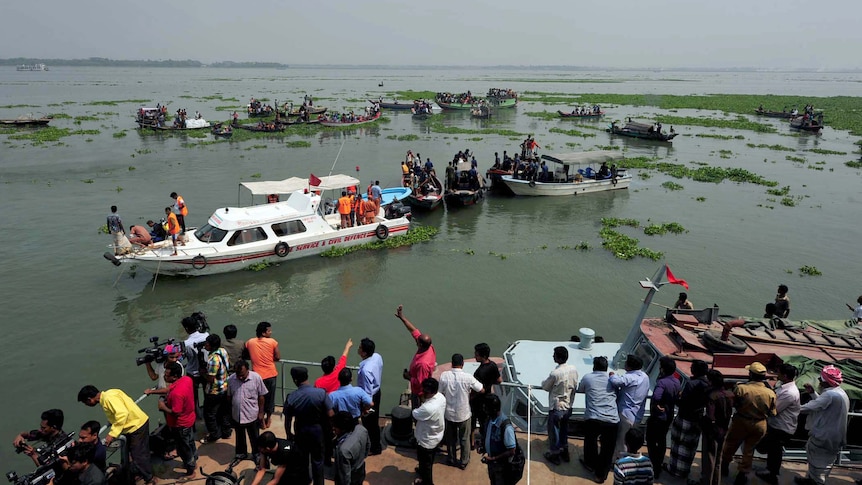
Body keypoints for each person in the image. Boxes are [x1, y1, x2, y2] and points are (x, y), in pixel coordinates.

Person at [77, 385, 155, 485]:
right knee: (135, 452)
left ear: (89, 399)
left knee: (138, 455)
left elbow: (122, 414)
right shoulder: (111, 392)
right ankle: (140, 473)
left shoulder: (109, 399)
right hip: (135, 423)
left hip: (136, 426)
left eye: (85, 402)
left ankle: (150, 479)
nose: (86, 405)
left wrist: (112, 434)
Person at [719, 362, 776, 485]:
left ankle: (724, 466)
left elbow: (734, 403)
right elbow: (773, 412)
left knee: (730, 444)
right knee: (749, 450)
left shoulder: (741, 388)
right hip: (760, 424)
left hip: (741, 421)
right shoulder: (770, 393)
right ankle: (742, 474)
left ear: (751, 374)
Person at [795, 365, 850, 485]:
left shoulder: (830, 395)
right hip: (834, 435)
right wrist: (813, 393)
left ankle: (816, 482)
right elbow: (823, 403)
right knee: (822, 461)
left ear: (826, 382)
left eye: (820, 380)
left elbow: (812, 406)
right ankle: (812, 479)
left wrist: (792, 409)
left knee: (818, 462)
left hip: (824, 435)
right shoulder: (838, 392)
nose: (819, 382)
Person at [755, 363, 801, 485]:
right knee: (773, 449)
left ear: (785, 376)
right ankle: (770, 471)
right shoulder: (784, 386)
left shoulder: (790, 393)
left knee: (774, 450)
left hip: (782, 427)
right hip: (778, 425)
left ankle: (772, 475)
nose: (777, 375)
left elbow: (774, 409)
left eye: (779, 373)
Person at [578, 356, 620, 483]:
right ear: (606, 367)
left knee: (590, 442)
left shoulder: (587, 377)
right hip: (612, 419)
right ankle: (601, 475)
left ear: (594, 366)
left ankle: (590, 464)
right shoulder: (613, 379)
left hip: (593, 417)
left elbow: (581, 389)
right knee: (607, 449)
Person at [665, 359, 710, 478]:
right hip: (698, 418)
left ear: (695, 370)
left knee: (678, 444)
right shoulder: (708, 384)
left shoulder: (691, 384)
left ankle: (675, 470)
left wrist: (675, 398)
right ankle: (685, 470)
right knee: (690, 446)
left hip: (685, 417)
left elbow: (684, 402)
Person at [439, 353, 483, 469]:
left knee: (451, 439)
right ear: (462, 364)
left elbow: (439, 392)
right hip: (464, 413)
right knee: (464, 438)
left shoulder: (444, 376)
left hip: (448, 413)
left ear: (452, 363)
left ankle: (451, 458)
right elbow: (481, 389)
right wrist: (470, 395)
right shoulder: (468, 377)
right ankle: (464, 461)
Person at [284, 366, 327, 485]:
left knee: (302, 460)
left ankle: (305, 481)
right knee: (318, 461)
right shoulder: (321, 393)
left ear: (295, 380)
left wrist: (288, 434)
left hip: (301, 431)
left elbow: (287, 419)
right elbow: (330, 413)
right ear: (307, 377)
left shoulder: (291, 397)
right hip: (317, 431)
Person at [693, 369, 734, 485]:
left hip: (712, 430)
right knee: (718, 460)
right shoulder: (730, 394)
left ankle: (706, 482)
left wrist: (703, 422)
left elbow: (711, 416)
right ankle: (716, 481)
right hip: (724, 428)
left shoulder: (712, 396)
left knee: (709, 459)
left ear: (710, 381)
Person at [157, 361, 197, 481]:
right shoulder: (186, 380)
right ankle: (194, 462)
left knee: (184, 448)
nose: (164, 376)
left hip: (180, 425)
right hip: (190, 419)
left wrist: (163, 407)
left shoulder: (176, 394)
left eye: (167, 375)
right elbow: (169, 389)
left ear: (174, 377)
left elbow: (176, 412)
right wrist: (153, 391)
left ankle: (190, 471)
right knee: (190, 442)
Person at [541, 345, 579, 465]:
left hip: (557, 406)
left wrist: (543, 383)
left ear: (558, 357)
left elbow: (546, 387)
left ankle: (555, 454)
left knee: (554, 431)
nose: (553, 356)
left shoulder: (555, 373)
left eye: (554, 355)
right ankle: (565, 451)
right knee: (564, 429)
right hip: (568, 405)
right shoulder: (573, 369)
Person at [395, 305, 437, 409]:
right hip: (421, 375)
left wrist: (407, 376)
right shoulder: (429, 347)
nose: (416, 339)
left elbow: (420, 383)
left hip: (420, 392)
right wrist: (402, 317)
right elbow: (414, 331)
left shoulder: (423, 364)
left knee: (417, 411)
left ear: (420, 345)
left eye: (417, 341)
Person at [609, 354, 650, 459]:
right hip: (637, 415)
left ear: (629, 366)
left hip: (626, 415)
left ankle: (619, 462)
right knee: (631, 442)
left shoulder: (630, 377)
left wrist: (612, 375)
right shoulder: (645, 377)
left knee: (622, 441)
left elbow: (615, 381)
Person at [645, 356, 680, 476]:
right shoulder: (677, 381)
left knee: (651, 440)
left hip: (658, 417)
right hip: (668, 416)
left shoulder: (662, 382)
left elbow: (656, 396)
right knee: (661, 441)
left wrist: (658, 405)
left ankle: (653, 465)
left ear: (663, 369)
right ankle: (658, 464)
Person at [227, 360, 267, 464]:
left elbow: (261, 396)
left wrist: (261, 412)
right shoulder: (231, 379)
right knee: (239, 436)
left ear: (248, 370)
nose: (240, 377)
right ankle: (240, 454)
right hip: (237, 414)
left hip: (252, 414)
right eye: (238, 374)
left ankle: (257, 454)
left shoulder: (256, 378)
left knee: (255, 437)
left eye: (242, 375)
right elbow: (229, 396)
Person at [246, 321, 280, 429]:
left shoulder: (250, 342)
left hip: (257, 376)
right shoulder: (272, 342)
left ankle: (260, 419)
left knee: (259, 399)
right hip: (270, 374)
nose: (271, 332)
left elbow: (246, 353)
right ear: (264, 333)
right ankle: (268, 419)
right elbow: (278, 357)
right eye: (269, 330)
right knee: (270, 398)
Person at [412, 377, 446, 485]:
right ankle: (422, 471)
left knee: (426, 464)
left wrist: (420, 400)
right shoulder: (441, 397)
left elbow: (415, 413)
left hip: (427, 440)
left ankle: (426, 482)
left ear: (429, 392)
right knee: (426, 461)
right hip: (436, 434)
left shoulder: (427, 408)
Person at [481, 394, 518, 485]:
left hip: (502, 468)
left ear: (493, 410)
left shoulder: (506, 427)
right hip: (493, 465)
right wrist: (484, 447)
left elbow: (512, 451)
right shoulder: (490, 419)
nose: (484, 410)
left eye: (486, 408)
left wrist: (493, 458)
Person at [201, 334, 232, 444]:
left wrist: (203, 373)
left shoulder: (213, 359)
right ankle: (226, 432)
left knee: (209, 414)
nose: (205, 345)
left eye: (206, 343)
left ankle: (214, 435)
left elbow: (210, 379)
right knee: (224, 411)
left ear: (209, 345)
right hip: (225, 386)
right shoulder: (223, 351)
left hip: (214, 391)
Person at [471, 343, 501, 448]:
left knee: (473, 422)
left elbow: (477, 390)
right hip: (487, 399)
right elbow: (499, 380)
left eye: (477, 354)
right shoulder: (493, 365)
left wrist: (469, 398)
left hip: (477, 401)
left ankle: (472, 443)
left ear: (483, 356)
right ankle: (485, 440)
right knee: (485, 422)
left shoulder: (479, 372)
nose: (475, 356)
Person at [357, 337, 383, 455]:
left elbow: (367, 391)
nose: (358, 349)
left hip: (369, 398)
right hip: (377, 392)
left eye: (360, 347)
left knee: (369, 424)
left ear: (364, 352)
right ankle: (375, 444)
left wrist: (366, 408)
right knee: (374, 422)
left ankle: (374, 448)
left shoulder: (365, 371)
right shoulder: (377, 356)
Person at [332, 411, 370, 485]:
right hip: (360, 470)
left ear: (342, 429)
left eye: (335, 427)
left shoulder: (343, 450)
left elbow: (345, 476)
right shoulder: (361, 429)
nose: (333, 428)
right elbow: (367, 447)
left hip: (351, 477)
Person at [181, 315, 209, 416]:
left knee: (194, 397)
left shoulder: (186, 343)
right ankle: (208, 413)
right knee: (207, 394)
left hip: (192, 373)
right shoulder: (206, 335)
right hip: (205, 371)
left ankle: (198, 416)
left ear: (187, 328)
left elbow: (187, 357)